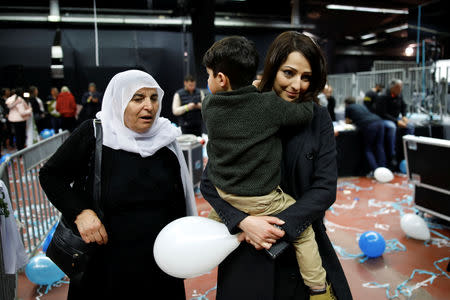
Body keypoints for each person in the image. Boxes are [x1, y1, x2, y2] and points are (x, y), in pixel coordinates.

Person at [201, 31, 352, 300]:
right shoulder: (244, 106)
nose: (297, 85)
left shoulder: (317, 118)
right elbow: (210, 181)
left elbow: (325, 189)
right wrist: (244, 222)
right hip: (247, 248)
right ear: (273, 68)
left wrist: (275, 228)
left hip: (298, 245)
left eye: (306, 77)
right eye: (289, 73)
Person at [39, 70, 196, 299]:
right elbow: (51, 175)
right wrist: (80, 213)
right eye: (138, 98)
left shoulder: (166, 139)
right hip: (106, 266)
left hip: (159, 265)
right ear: (119, 100)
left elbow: (178, 199)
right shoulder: (95, 134)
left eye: (153, 98)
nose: (149, 106)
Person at [375, 79, 414, 169]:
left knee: (410, 126)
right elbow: (382, 113)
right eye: (398, 87)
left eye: (401, 87)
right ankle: (392, 154)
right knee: (392, 127)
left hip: (397, 118)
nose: (400, 89)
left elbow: (404, 106)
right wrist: (397, 122)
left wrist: (404, 116)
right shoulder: (383, 96)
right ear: (392, 87)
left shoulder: (399, 95)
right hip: (384, 119)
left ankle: (409, 150)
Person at [344, 97, 386, 173]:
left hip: (369, 125)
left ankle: (375, 171)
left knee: (368, 149)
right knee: (379, 145)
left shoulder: (348, 108)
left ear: (346, 104)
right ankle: (383, 169)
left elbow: (347, 122)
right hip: (379, 121)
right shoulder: (361, 106)